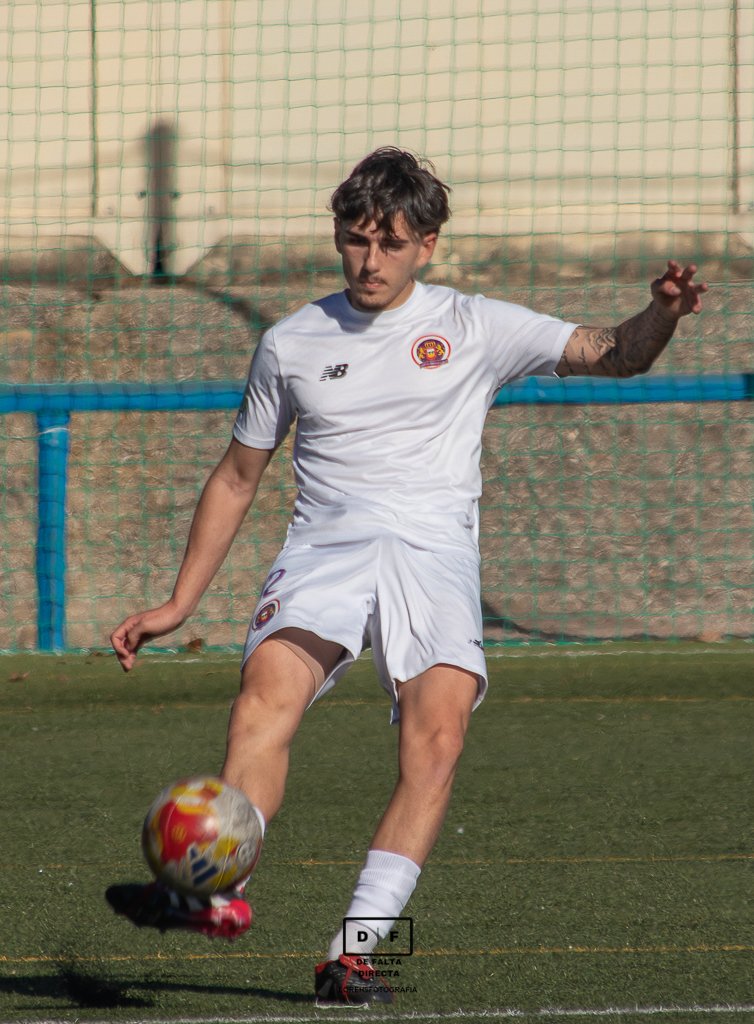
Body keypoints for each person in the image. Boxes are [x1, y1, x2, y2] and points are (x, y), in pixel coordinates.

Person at [107, 147, 707, 1006]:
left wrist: (663, 313)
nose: (369, 261)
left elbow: (615, 353)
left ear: (428, 244)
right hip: (324, 552)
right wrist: (178, 601)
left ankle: (355, 954)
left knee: (436, 748)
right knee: (261, 704)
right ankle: (215, 891)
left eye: (389, 244)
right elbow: (238, 476)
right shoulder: (291, 342)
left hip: (433, 560)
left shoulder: (475, 324)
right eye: (354, 240)